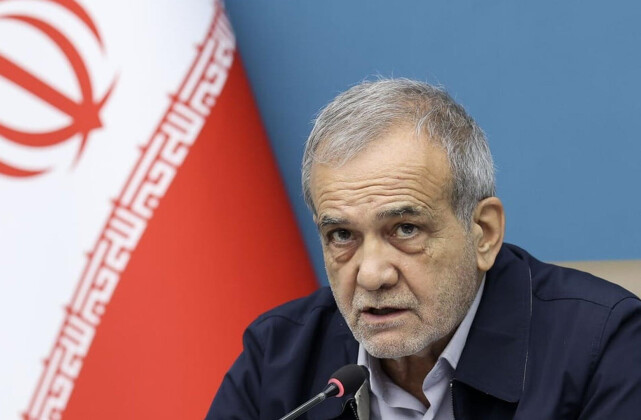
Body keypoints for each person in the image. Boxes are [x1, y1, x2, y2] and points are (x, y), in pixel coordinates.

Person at [206, 79, 641, 419]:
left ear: (484, 233)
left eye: (405, 229)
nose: (372, 275)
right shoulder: (279, 355)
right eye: (342, 235)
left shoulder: (604, 347)